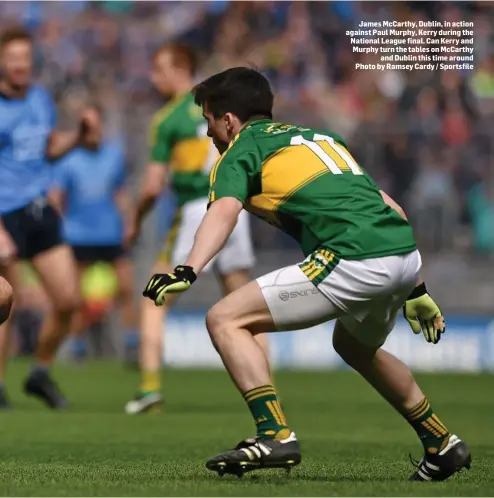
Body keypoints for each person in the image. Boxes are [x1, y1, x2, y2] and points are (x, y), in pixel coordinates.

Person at [142, 67, 472, 482]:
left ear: (228, 119)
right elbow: (391, 207)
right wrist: (416, 287)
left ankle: (274, 434)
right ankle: (441, 444)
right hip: (402, 255)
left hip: (353, 256)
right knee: (354, 347)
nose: (208, 132)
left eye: (209, 120)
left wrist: (187, 269)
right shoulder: (320, 139)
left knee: (224, 319)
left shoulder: (241, 150)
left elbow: (223, 212)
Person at [124, 44, 263, 414]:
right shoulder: (226, 105)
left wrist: (134, 222)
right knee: (247, 305)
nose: (154, 78)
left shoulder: (168, 119)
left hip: (195, 212)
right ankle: (267, 392)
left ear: (179, 69)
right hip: (236, 210)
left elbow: (152, 186)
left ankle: (149, 388)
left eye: (158, 69)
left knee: (154, 298)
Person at [0, 26, 96, 409]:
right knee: (7, 303)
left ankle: (39, 372)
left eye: (26, 57)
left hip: (38, 210)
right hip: (3, 214)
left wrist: (79, 136)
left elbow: (48, 147)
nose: (22, 64)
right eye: (14, 58)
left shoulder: (40, 99)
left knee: (69, 299)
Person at [49, 104, 138, 364]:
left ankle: (132, 341)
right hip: (78, 236)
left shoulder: (113, 155)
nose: (93, 131)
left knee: (125, 289)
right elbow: (56, 197)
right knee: (75, 295)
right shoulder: (68, 159)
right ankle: (76, 343)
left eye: (95, 125)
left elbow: (119, 193)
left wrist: (129, 221)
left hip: (110, 233)